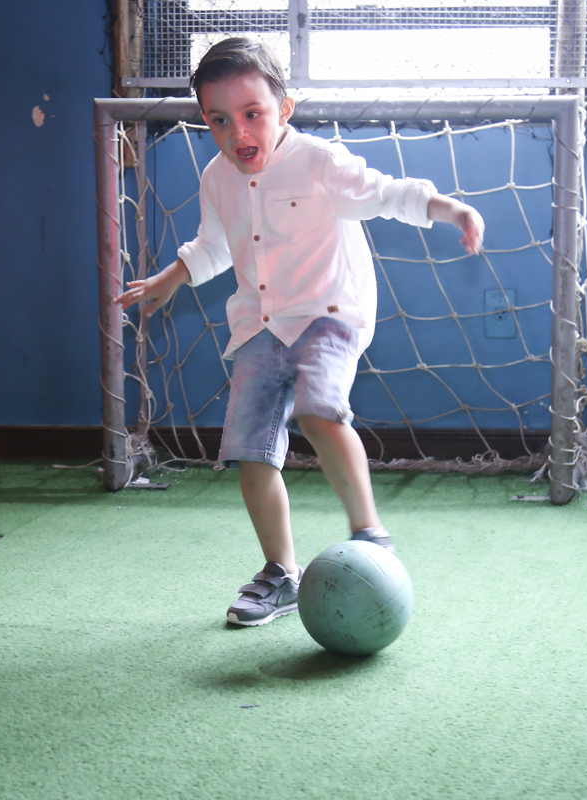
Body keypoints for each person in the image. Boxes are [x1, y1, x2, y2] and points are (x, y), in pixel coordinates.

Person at [118, 37, 485, 627]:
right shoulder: (217, 177)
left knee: (318, 410)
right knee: (249, 450)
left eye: (252, 113)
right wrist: (172, 276)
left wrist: (452, 209)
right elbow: (214, 245)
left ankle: (370, 533)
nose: (237, 131)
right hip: (258, 325)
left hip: (329, 312)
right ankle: (279, 575)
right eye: (218, 120)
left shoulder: (318, 161)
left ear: (284, 108)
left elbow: (386, 194)